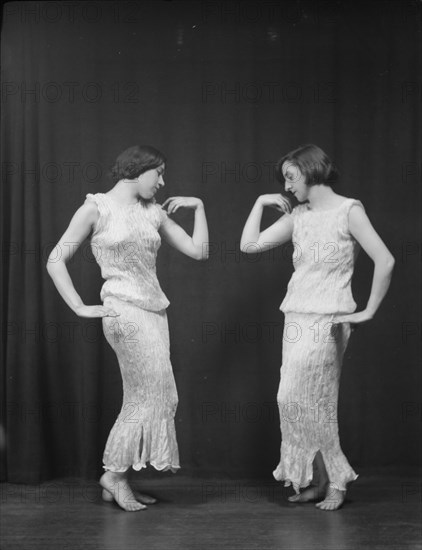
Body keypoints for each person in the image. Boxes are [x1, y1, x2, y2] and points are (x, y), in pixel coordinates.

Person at [46, 145, 209, 511]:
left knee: (149, 396)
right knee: (154, 394)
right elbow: (56, 259)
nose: (163, 182)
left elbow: (199, 251)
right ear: (137, 171)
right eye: (159, 173)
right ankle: (114, 475)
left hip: (154, 312)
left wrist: (199, 208)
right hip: (122, 311)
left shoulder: (153, 213)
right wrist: (78, 305)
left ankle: (117, 477)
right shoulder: (96, 208)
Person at [240, 144, 394, 511]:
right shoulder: (299, 216)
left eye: (291, 177)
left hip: (329, 318)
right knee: (293, 401)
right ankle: (318, 480)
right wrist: (260, 204)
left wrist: (368, 310)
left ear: (312, 171)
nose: (287, 186)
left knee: (318, 404)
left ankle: (337, 481)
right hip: (296, 316)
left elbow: (384, 260)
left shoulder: (348, 210)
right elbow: (248, 245)